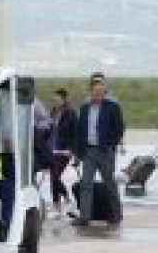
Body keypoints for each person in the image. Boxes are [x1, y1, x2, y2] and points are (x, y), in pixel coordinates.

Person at [72, 74, 124, 228]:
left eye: (101, 92)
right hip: (89, 152)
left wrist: (111, 144)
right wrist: (77, 152)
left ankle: (116, 214)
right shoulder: (85, 108)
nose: (98, 95)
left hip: (105, 151)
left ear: (105, 92)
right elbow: (80, 131)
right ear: (91, 91)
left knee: (109, 183)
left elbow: (119, 128)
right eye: (95, 92)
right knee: (86, 184)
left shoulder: (113, 107)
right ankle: (84, 217)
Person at [49, 88, 78, 212]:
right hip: (52, 149)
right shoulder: (53, 112)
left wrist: (74, 151)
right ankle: (56, 203)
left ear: (64, 99)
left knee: (55, 176)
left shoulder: (71, 113)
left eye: (57, 99)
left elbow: (76, 133)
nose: (55, 101)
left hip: (65, 151)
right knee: (53, 177)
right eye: (54, 99)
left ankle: (65, 195)